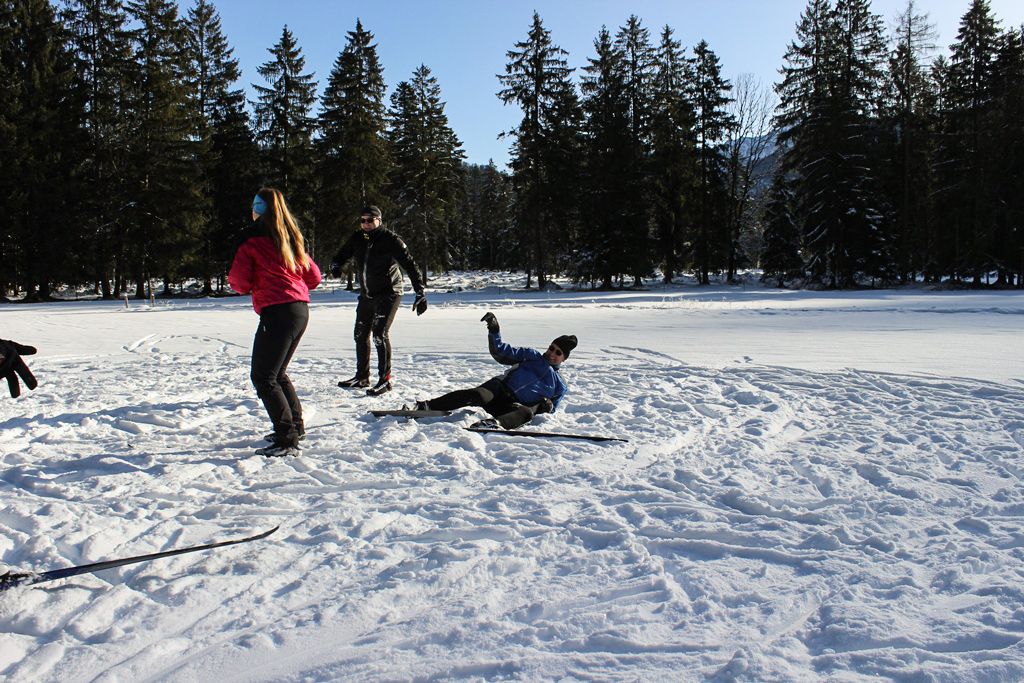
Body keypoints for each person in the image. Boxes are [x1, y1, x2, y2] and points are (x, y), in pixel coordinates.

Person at [228, 188, 322, 457]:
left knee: (263, 377)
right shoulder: (291, 237)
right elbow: (314, 277)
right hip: (299, 310)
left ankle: (287, 439)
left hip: (277, 312)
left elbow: (239, 282)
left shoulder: (251, 239)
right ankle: (295, 427)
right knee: (277, 374)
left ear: (257, 210)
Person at [413, 312, 576, 430]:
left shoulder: (559, 385)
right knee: (476, 395)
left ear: (564, 358)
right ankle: (427, 406)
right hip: (498, 390)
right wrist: (494, 330)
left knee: (526, 413)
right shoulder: (532, 356)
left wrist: (546, 406)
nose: (552, 353)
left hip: (511, 406)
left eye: (558, 353)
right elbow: (501, 352)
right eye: (551, 348)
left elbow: (551, 410)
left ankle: (493, 425)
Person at [331, 205, 427, 397]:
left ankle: (385, 380)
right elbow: (341, 255)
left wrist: (420, 292)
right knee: (360, 334)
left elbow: (410, 264)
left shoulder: (391, 240)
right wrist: (336, 265)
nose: (366, 224)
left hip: (389, 293)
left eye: (370, 219)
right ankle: (362, 377)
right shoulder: (357, 238)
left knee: (379, 334)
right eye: (362, 220)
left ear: (379, 220)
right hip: (367, 294)